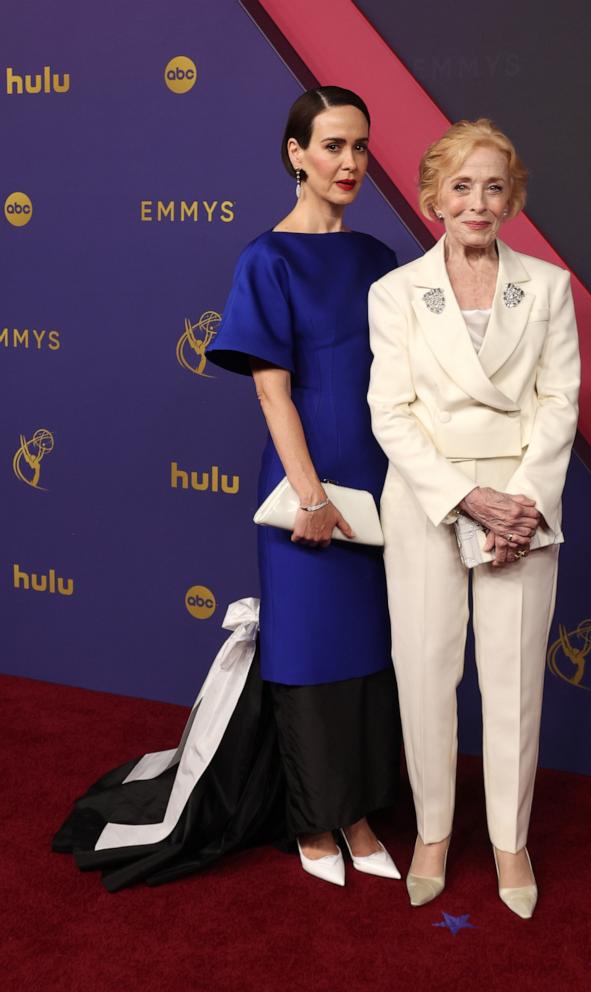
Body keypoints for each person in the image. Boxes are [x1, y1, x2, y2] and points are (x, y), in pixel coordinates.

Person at [52, 86, 401, 891]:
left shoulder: (380, 259)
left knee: (368, 654)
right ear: (296, 154)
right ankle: (317, 822)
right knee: (311, 654)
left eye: (360, 147)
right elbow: (274, 393)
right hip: (307, 485)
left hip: (382, 483)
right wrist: (311, 495)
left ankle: (359, 813)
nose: (349, 163)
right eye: (333, 146)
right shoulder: (266, 258)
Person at [367, 118, 580, 917]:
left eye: (494, 186)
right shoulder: (395, 293)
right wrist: (465, 496)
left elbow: (559, 403)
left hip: (524, 509)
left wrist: (519, 503)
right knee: (425, 673)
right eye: (462, 186)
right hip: (430, 500)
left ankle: (509, 842)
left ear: (512, 196)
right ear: (432, 199)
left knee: (515, 682)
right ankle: (430, 831)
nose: (478, 201)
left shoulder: (549, 287)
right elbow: (389, 413)